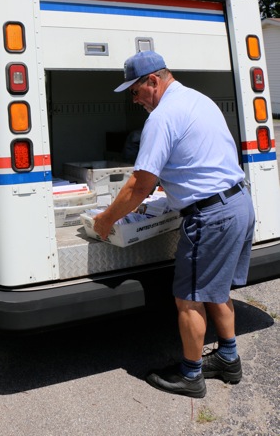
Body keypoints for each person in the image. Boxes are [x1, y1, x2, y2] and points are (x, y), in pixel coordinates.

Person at [93, 50, 255, 399]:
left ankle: (191, 375)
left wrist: (106, 220)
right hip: (238, 202)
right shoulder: (198, 99)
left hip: (211, 216)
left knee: (189, 299)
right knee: (216, 290)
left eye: (135, 91)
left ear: (153, 81)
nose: (135, 100)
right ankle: (228, 359)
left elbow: (139, 186)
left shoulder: (162, 116)